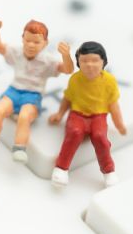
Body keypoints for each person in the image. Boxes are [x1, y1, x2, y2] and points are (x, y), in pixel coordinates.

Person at [0, 18, 73, 163]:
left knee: (24, 116)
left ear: (45, 43)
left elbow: (67, 70)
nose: (30, 45)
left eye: (36, 42)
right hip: (13, 91)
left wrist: (66, 55)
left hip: (32, 95)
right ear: (22, 39)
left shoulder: (48, 61)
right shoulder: (16, 52)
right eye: (27, 40)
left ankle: (19, 149)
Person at [48, 41, 127, 187]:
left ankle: (108, 171)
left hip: (99, 115)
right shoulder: (75, 79)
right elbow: (68, 98)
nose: (89, 65)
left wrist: (119, 124)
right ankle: (61, 169)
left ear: (103, 62)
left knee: (100, 137)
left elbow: (113, 104)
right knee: (74, 132)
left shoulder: (109, 81)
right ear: (78, 62)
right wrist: (60, 114)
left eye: (95, 60)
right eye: (84, 61)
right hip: (77, 114)